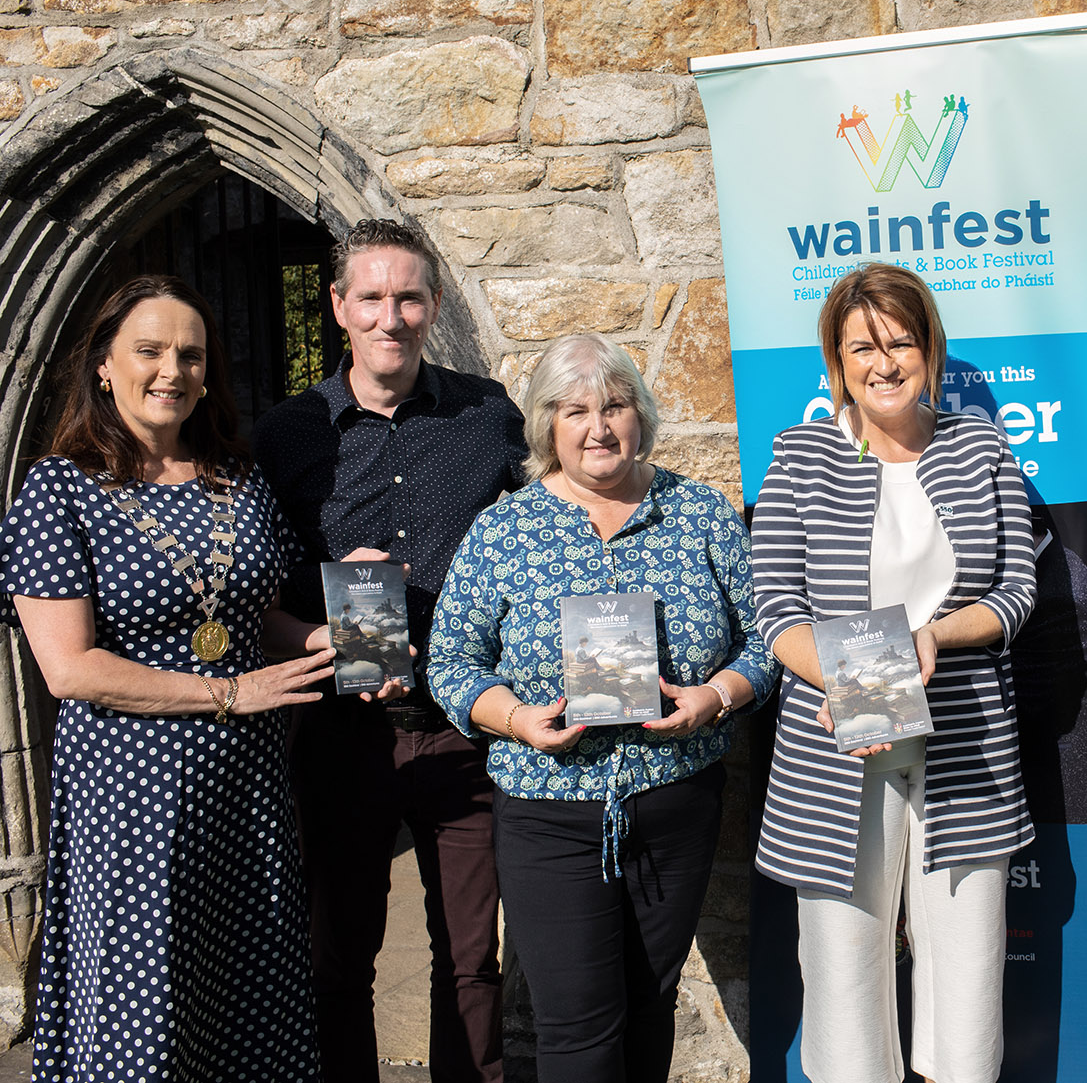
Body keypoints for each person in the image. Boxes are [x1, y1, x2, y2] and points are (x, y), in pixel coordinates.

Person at [0, 276, 337, 1080]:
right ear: (106, 366)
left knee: (249, 999)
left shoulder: (237, 477)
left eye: (191, 354)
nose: (173, 371)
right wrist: (232, 693)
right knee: (142, 1011)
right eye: (149, 351)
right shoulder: (60, 489)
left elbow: (253, 618)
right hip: (130, 799)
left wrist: (334, 641)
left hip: (245, 793)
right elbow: (69, 668)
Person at [427, 333, 777, 1082]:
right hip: (549, 811)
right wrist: (516, 719)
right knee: (577, 1028)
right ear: (547, 425)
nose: (598, 426)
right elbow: (451, 661)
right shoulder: (504, 530)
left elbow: (770, 638)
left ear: (640, 414)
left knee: (650, 1004)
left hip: (675, 804)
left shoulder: (700, 515)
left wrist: (717, 695)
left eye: (615, 405)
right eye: (575, 409)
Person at [253, 219, 526, 1083]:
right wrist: (322, 598)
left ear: (434, 304)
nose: (390, 316)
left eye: (408, 296)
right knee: (338, 964)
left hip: (463, 731)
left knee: (473, 963)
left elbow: (542, 532)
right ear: (338, 306)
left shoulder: (489, 415)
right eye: (370, 296)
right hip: (341, 736)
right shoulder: (285, 434)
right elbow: (254, 588)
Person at [752, 262, 1038, 1083]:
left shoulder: (980, 446)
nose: (883, 363)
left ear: (930, 350)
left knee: (968, 985)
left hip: (964, 749)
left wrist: (937, 638)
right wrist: (849, 685)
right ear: (835, 364)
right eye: (861, 348)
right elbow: (774, 611)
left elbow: (1018, 592)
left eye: (901, 342)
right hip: (839, 751)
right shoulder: (800, 456)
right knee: (842, 982)